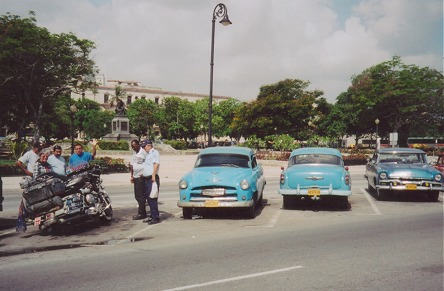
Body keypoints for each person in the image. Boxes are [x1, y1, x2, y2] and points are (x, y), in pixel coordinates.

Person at [141, 139, 160, 225]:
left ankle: (155, 217)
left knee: (152, 198)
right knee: (148, 198)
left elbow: (156, 164)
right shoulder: (148, 154)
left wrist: (153, 175)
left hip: (152, 178)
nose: (144, 148)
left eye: (144, 146)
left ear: (149, 145)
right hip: (146, 178)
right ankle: (152, 216)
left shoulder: (154, 153)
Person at [129, 139, 148, 220]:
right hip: (136, 177)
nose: (133, 147)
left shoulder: (143, 152)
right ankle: (142, 211)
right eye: (132, 146)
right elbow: (132, 165)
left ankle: (141, 213)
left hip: (141, 177)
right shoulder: (134, 153)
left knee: (141, 196)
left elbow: (149, 163)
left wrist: (145, 173)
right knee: (137, 196)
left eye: (134, 146)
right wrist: (132, 176)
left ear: (138, 145)